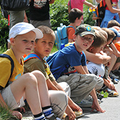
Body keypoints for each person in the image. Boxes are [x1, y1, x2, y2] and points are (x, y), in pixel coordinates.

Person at [0, 22, 68, 120]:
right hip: (2, 103)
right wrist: (8, 110)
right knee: (29, 77)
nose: (30, 44)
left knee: (38, 74)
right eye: (25, 40)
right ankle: (39, 117)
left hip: (11, 100)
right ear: (12, 41)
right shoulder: (6, 61)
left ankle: (48, 113)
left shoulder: (20, 59)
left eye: (32, 41)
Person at [24, 25, 83, 120]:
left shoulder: (43, 60)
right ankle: (58, 113)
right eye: (43, 42)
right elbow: (50, 86)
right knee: (61, 95)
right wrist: (67, 107)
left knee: (64, 85)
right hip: (31, 99)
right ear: (34, 44)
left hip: (43, 95)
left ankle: (62, 108)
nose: (48, 46)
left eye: (50, 43)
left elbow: (54, 83)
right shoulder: (34, 61)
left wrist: (71, 103)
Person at [47, 24, 105, 113]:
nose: (86, 41)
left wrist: (95, 100)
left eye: (89, 39)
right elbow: (86, 76)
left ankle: (81, 98)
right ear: (74, 37)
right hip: (55, 82)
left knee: (98, 81)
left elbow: (87, 75)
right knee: (92, 79)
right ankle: (75, 100)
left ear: (92, 41)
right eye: (83, 37)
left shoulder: (81, 53)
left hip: (66, 80)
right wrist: (96, 101)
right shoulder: (71, 51)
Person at [87, 29, 118, 96]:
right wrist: (106, 82)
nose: (102, 50)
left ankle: (100, 89)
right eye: (101, 47)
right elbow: (102, 60)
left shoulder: (94, 50)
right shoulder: (86, 53)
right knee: (97, 67)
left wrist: (108, 80)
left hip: (93, 79)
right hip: (85, 81)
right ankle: (91, 93)